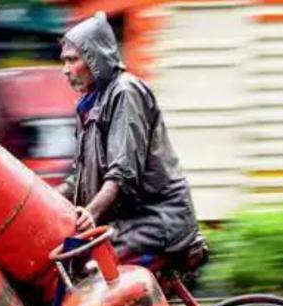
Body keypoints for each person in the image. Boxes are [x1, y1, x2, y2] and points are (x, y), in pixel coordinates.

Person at [58, 12, 202, 267]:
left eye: (72, 60)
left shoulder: (125, 92)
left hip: (157, 218)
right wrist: (40, 198)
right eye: (64, 61)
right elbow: (78, 178)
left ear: (94, 58)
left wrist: (91, 212)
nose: (65, 70)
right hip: (130, 221)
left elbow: (122, 173)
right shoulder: (89, 105)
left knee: (89, 266)